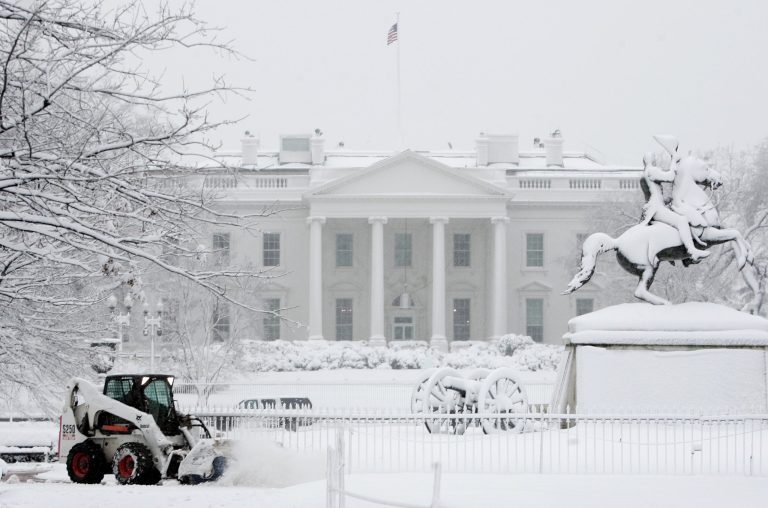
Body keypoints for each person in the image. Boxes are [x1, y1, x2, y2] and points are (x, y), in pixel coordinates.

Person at [640, 152, 710, 261]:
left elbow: (654, 194)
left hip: (654, 206)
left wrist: (668, 200)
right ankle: (692, 251)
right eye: (654, 158)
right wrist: (674, 161)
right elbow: (670, 176)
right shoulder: (652, 171)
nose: (655, 160)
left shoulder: (645, 174)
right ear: (651, 160)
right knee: (681, 220)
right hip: (656, 208)